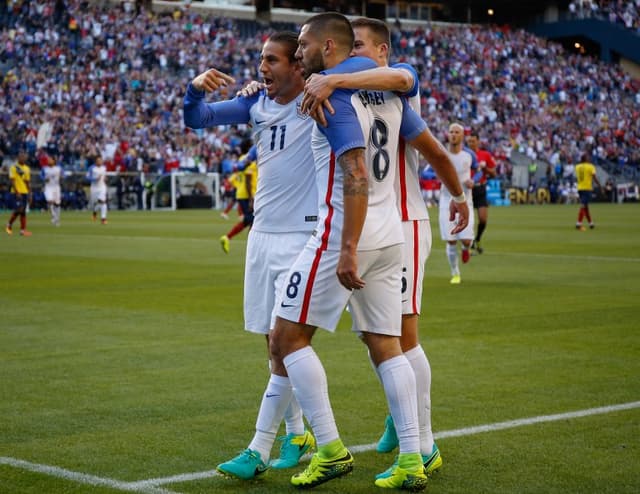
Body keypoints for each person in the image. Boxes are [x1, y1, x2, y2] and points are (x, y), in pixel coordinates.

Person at [268, 12, 468, 490]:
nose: (298, 54)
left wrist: (347, 248)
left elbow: (354, 172)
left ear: (329, 48)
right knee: (387, 343)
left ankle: (330, 448)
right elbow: (413, 110)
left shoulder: (332, 93)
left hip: (345, 232)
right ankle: (414, 458)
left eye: (303, 46)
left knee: (285, 339)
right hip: (391, 231)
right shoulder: (390, 92)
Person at [183, 31, 318, 475]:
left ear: (298, 65)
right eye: (260, 59)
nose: (262, 68)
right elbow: (198, 119)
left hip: (303, 238)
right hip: (262, 238)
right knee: (272, 345)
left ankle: (262, 447)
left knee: (287, 344)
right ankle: (298, 435)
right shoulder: (253, 104)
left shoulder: (318, 101)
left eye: (271, 60)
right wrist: (193, 89)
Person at [441, 123, 475, 284]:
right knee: (451, 239)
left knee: (467, 240)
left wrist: (472, 181)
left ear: (462, 136)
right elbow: (427, 170)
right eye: (451, 132)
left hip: (465, 200)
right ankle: (455, 273)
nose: (453, 134)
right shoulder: (441, 153)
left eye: (457, 132)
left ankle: (466, 248)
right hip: (446, 199)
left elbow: (480, 170)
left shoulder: (469, 155)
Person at [219, 148, 256, 254]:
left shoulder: (242, 159)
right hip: (246, 194)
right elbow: (248, 179)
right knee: (254, 221)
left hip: (242, 192)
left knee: (248, 221)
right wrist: (251, 198)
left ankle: (227, 237)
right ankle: (252, 247)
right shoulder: (250, 159)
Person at [466, 130, 497, 254]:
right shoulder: (464, 154)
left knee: (483, 219)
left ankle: (477, 239)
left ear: (478, 141)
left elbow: (494, 174)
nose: (471, 143)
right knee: (468, 220)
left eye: (473, 141)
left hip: (480, 188)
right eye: (469, 141)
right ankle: (468, 246)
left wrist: (485, 168)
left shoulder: (485, 155)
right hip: (467, 189)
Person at [5, 150, 32, 236]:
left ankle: (22, 231)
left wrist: (30, 193)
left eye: (24, 157)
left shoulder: (27, 169)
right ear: (18, 158)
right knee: (19, 209)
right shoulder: (14, 167)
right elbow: (12, 181)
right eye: (21, 157)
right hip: (16, 192)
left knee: (23, 211)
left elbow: (27, 182)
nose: (22, 158)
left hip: (24, 192)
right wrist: (17, 192)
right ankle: (9, 225)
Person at [575, 153, 602, 230]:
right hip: (587, 188)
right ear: (586, 159)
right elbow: (594, 177)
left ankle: (591, 223)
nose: (589, 158)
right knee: (583, 206)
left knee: (585, 206)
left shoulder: (577, 166)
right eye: (588, 157)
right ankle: (578, 223)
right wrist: (600, 186)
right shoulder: (590, 166)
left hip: (580, 188)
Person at [41, 156, 62, 226]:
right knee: (49, 200)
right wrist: (44, 178)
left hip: (56, 187)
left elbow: (64, 174)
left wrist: (62, 176)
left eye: (50, 160)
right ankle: (54, 216)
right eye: (48, 160)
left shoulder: (58, 168)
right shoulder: (45, 169)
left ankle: (57, 219)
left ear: (54, 161)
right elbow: (41, 176)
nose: (48, 161)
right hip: (48, 187)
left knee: (57, 204)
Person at [87, 156, 108, 225]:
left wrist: (105, 178)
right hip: (94, 188)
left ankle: (103, 219)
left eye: (101, 160)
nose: (100, 162)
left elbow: (104, 176)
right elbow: (87, 177)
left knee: (103, 201)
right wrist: (95, 179)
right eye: (98, 160)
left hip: (102, 187)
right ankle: (95, 212)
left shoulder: (104, 168)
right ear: (95, 161)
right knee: (97, 203)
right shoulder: (91, 168)